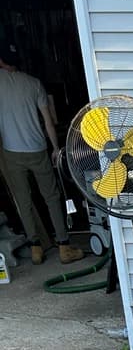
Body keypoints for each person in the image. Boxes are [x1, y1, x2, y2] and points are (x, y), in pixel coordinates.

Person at [0, 50, 83, 265]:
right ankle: (64, 247)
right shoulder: (34, 83)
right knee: (52, 197)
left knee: (24, 200)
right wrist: (55, 148)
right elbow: (48, 121)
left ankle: (36, 248)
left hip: (11, 151)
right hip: (37, 148)